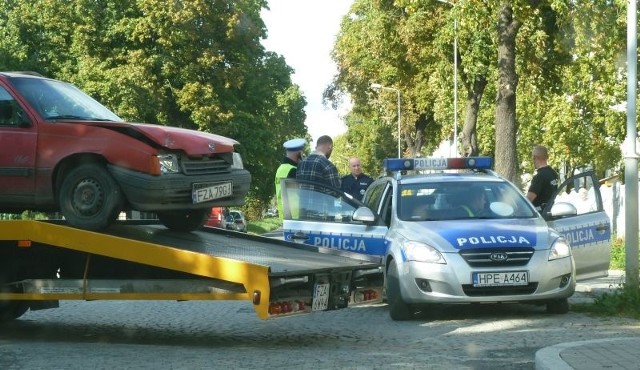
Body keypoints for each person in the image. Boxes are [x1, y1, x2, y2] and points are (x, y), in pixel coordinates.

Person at [274, 138, 305, 220]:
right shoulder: (293, 170)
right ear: (299, 153)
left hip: (284, 214)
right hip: (295, 216)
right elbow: (302, 193)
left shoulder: (280, 168)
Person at [527, 145, 559, 209]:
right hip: (549, 211)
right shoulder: (553, 173)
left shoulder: (539, 177)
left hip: (539, 213)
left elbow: (528, 200)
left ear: (534, 157)